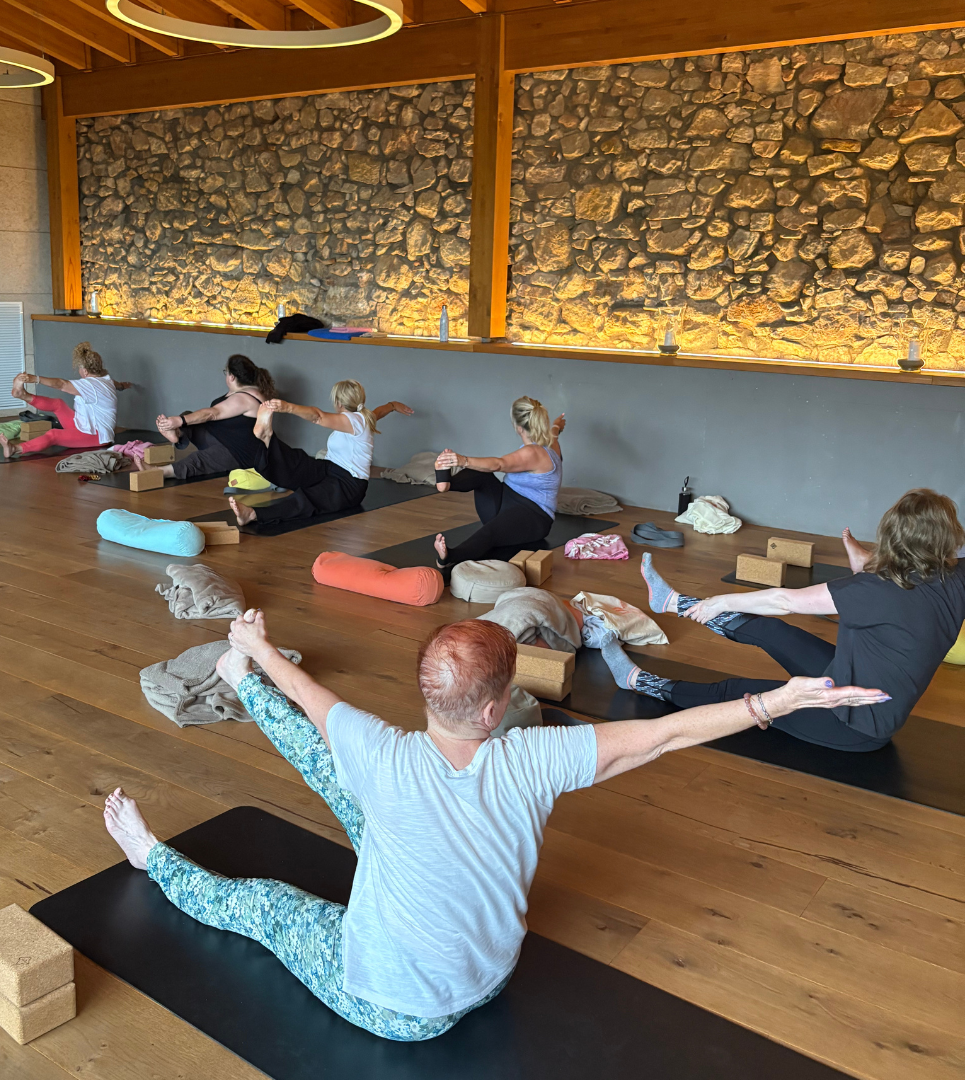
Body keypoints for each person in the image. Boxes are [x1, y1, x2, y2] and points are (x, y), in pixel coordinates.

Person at [103, 611, 885, 1041]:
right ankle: (240, 681)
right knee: (335, 774)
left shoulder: (384, 748)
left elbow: (313, 695)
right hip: (488, 977)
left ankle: (151, 858)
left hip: (399, 1010)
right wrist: (773, 704)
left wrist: (259, 646)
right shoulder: (531, 759)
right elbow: (664, 734)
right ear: (492, 710)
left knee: (268, 904)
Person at [597, 488, 965, 752]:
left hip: (853, 725)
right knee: (776, 633)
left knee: (737, 691)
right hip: (855, 679)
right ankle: (676, 603)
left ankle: (641, 682)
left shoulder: (870, 591)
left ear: (892, 536)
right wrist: (862, 558)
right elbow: (908, 567)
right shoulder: (956, 576)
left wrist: (721, 599)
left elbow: (783, 599)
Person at [225, 380, 413, 529]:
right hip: (329, 468)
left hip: (348, 485)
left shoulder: (356, 421)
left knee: (307, 499)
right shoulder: (365, 417)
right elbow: (379, 411)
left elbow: (318, 416)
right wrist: (393, 405)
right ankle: (267, 438)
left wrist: (287, 407)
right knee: (297, 462)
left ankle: (252, 514)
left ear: (338, 402)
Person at [432, 396, 564, 569]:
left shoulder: (533, 453)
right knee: (481, 473)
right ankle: (447, 483)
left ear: (518, 427)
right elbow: (554, 434)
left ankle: (449, 557)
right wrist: (557, 426)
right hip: (505, 502)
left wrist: (462, 460)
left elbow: (499, 464)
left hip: (533, 518)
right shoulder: (551, 443)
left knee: (490, 533)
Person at [151, 355, 276, 481]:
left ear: (232, 377)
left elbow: (212, 413)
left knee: (198, 459)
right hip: (222, 439)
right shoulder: (241, 391)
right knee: (189, 416)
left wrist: (179, 421)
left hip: (237, 453)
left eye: (226, 373)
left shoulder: (244, 399)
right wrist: (180, 423)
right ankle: (177, 434)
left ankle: (160, 472)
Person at [0, 342, 131, 459]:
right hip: (85, 426)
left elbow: (61, 384)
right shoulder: (106, 381)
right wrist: (123, 386)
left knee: (53, 435)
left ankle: (15, 449)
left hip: (97, 436)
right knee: (58, 405)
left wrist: (35, 379)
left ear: (84, 371)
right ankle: (23, 395)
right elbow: (117, 385)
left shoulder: (90, 385)